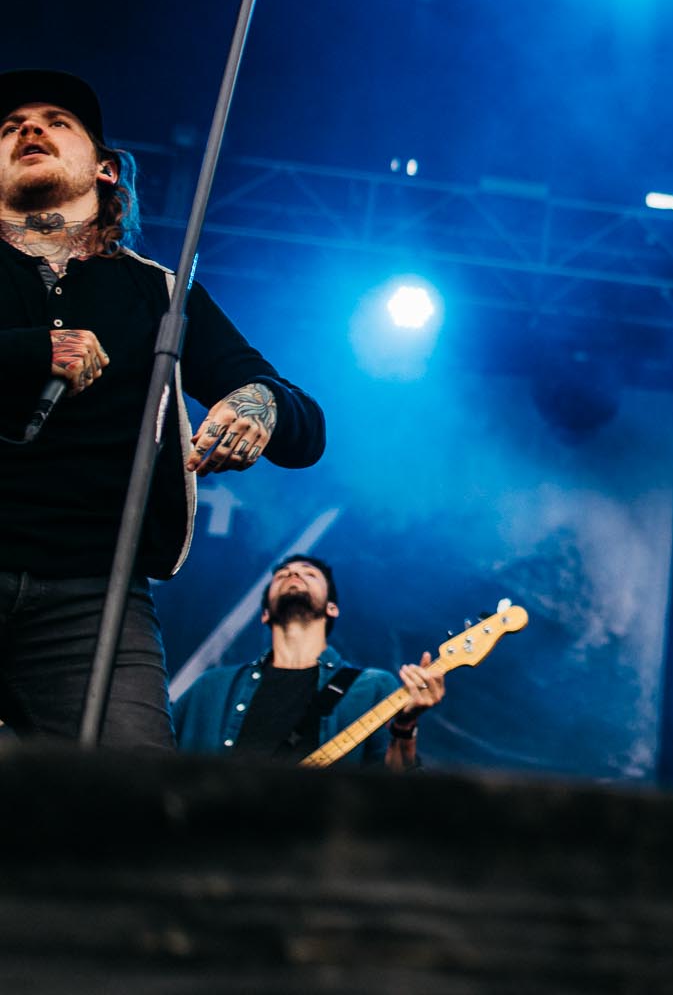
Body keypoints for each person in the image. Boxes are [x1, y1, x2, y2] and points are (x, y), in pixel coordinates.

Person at [0, 68, 325, 748]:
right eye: (9, 127)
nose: (29, 129)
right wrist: (33, 352)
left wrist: (258, 403)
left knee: (134, 797)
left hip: (93, 597)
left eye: (56, 121)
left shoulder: (161, 295)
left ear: (107, 171)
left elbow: (305, 426)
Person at [173, 554, 445, 770]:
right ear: (265, 614)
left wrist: (404, 728)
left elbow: (396, 789)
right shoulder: (211, 688)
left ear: (332, 608)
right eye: (282, 575)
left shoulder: (371, 687)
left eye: (309, 573)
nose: (293, 574)